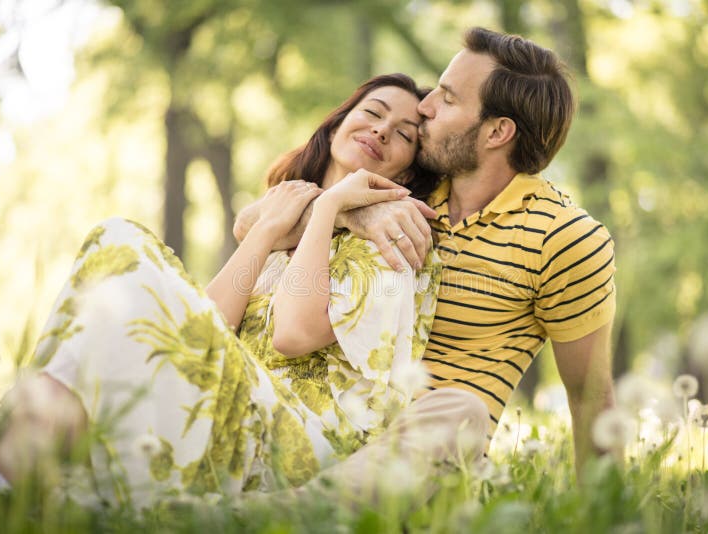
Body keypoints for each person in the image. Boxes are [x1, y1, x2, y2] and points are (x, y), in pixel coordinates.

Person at [0, 73, 488, 506]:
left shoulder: (393, 241)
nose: (380, 129)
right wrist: (270, 230)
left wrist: (334, 206)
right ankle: (17, 474)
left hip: (300, 443)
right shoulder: (288, 217)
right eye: (372, 113)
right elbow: (206, 323)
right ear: (337, 125)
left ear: (406, 168)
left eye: (402, 134)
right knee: (118, 242)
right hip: (231, 405)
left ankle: (7, 479)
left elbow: (291, 333)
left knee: (122, 244)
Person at [235, 27, 617, 481]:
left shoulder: (563, 238)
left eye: (448, 99)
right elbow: (250, 223)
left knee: (460, 412)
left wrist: (602, 517)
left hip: (422, 457)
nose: (426, 106)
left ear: (498, 131)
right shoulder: (411, 184)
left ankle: (293, 518)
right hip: (330, 424)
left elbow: (589, 395)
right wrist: (344, 212)